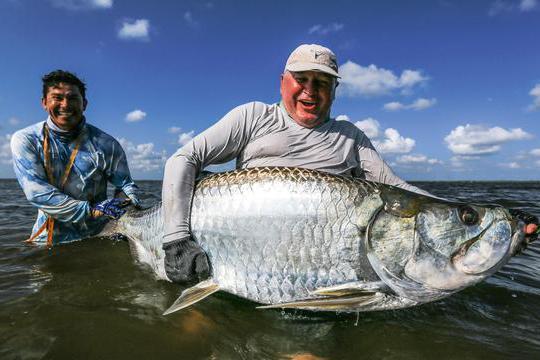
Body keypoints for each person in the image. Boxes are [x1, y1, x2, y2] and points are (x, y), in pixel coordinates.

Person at [161, 44, 538, 285]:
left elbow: (400, 192)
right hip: (234, 237)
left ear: (334, 91)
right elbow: (184, 159)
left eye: (322, 82)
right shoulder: (253, 117)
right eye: (301, 79)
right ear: (282, 82)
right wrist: (176, 238)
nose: (310, 90)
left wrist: (484, 230)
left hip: (317, 266)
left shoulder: (351, 137)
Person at [11, 70, 139, 247]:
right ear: (44, 103)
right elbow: (36, 192)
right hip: (48, 239)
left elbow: (124, 184)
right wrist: (92, 211)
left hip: (99, 236)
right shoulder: (27, 139)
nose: (65, 104)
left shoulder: (106, 144)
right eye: (57, 98)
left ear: (84, 103)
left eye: (72, 98)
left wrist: (124, 214)